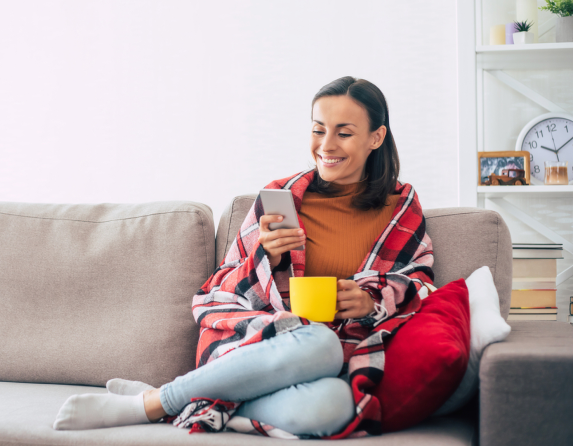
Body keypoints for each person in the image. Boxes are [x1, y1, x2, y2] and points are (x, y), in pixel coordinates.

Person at [52, 76, 434, 439]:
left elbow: (420, 284)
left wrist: (371, 301)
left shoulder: (400, 206)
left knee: (334, 407)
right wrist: (263, 257)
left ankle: (198, 400)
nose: (326, 145)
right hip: (257, 340)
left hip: (339, 356)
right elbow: (223, 284)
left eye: (344, 133)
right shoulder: (280, 196)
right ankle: (154, 402)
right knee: (319, 343)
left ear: (376, 137)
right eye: (318, 130)